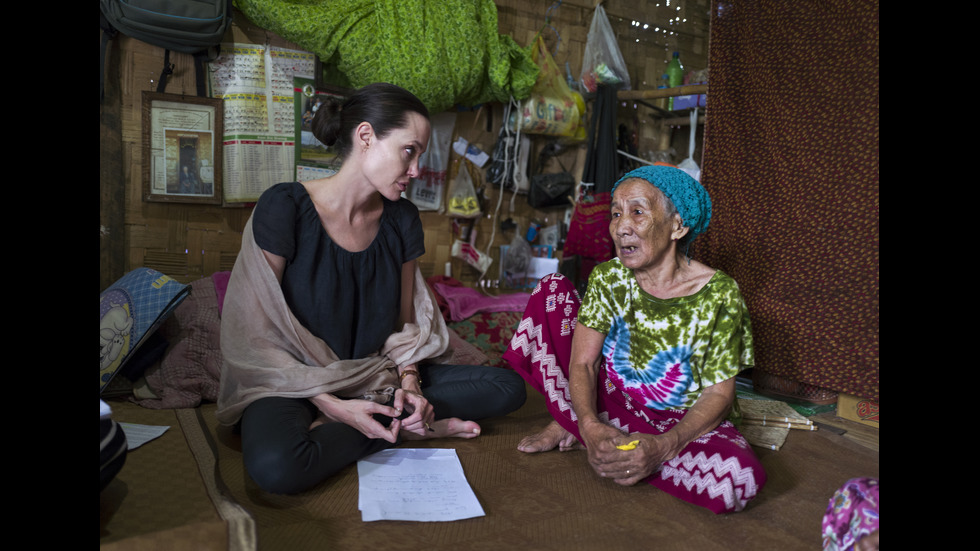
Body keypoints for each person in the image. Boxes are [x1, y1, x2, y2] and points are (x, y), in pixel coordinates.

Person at [216, 82, 526, 495]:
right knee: (278, 467)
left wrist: (411, 384)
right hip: (291, 380)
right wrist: (335, 407)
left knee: (508, 388)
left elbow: (405, 322)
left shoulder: (401, 220)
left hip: (375, 376)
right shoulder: (284, 207)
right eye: (409, 150)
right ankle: (399, 429)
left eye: (420, 154)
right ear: (365, 137)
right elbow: (254, 335)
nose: (416, 170)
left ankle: (391, 420)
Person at [504, 164, 766, 514]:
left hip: (677, 419)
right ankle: (586, 427)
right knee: (552, 289)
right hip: (611, 398)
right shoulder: (608, 278)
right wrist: (589, 423)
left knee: (738, 481)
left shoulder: (719, 295)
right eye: (616, 213)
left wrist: (665, 446)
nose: (620, 227)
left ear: (678, 226)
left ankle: (617, 443)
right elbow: (583, 362)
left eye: (637, 212)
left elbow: (718, 394)